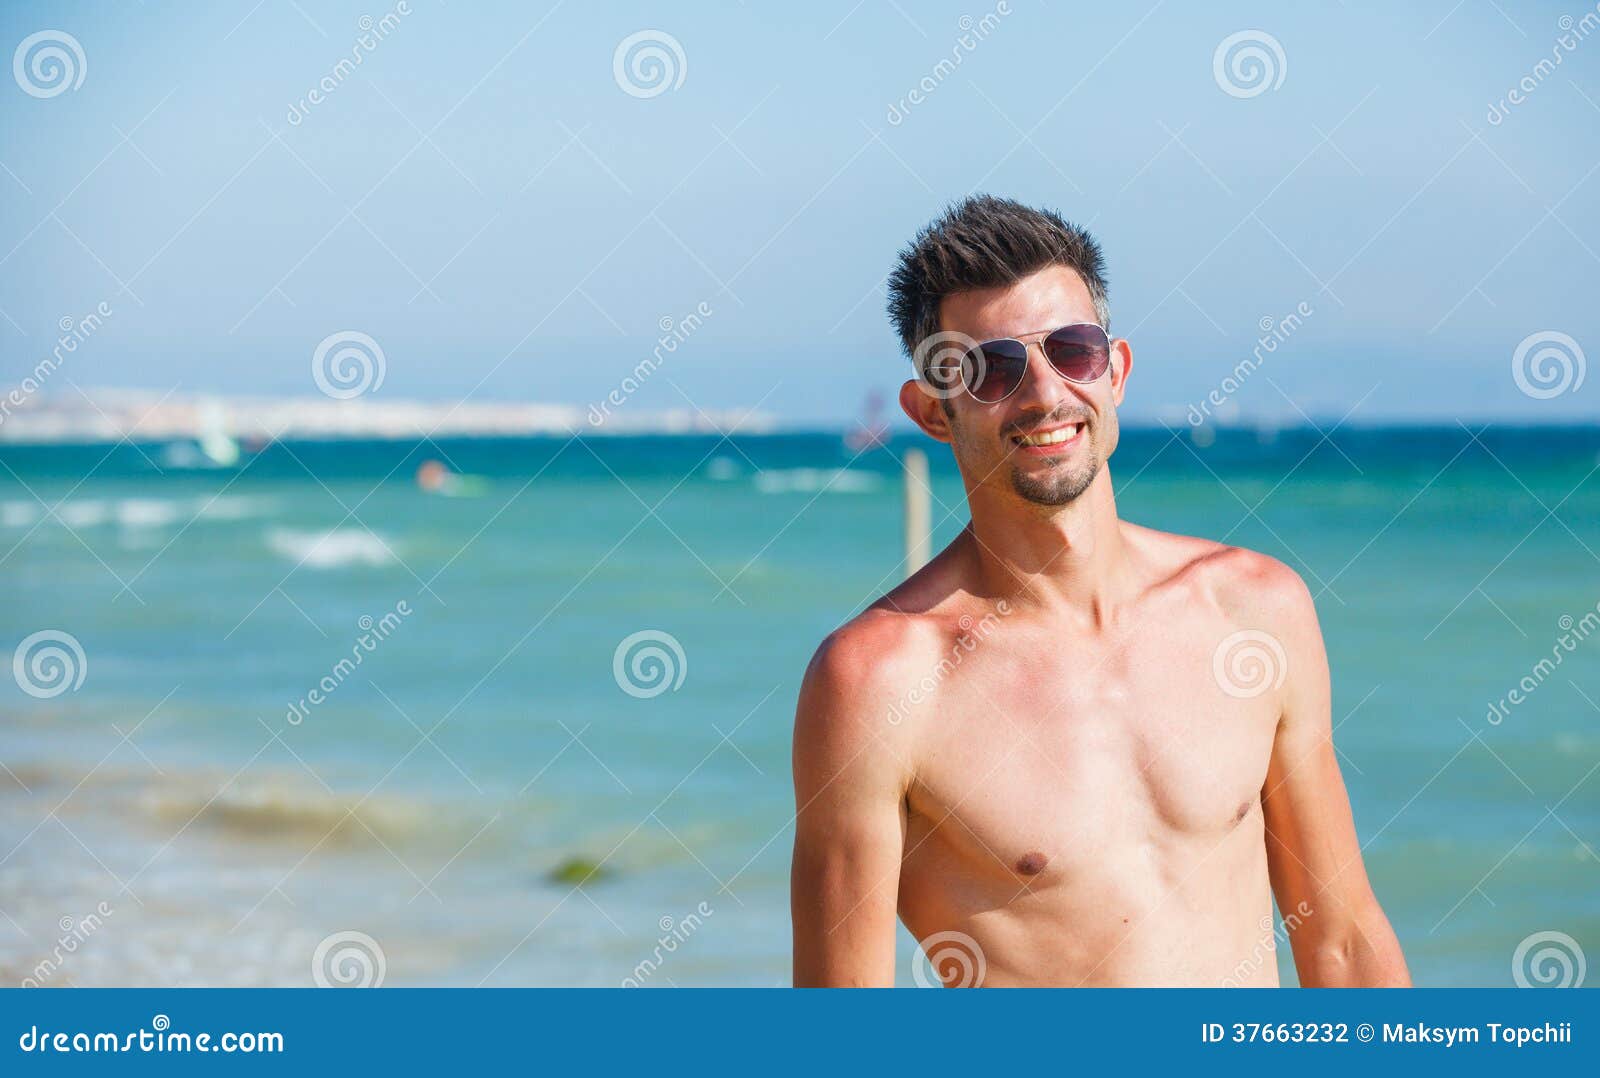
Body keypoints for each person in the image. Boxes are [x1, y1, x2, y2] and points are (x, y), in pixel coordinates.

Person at [790, 195, 1409, 987]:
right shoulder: (878, 681)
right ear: (932, 413)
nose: (1045, 395)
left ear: (1114, 369)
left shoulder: (1255, 611)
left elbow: (1344, 944)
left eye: (1072, 351)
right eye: (992, 370)